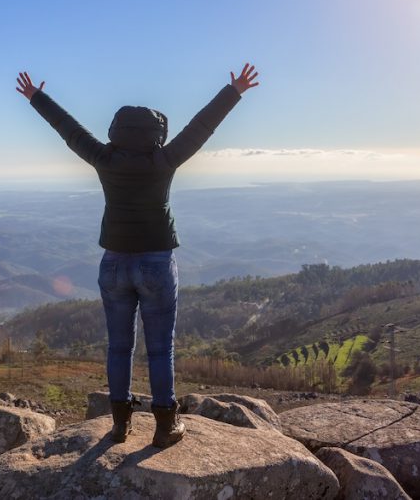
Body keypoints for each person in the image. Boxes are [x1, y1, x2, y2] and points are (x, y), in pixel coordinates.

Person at [15, 64, 259, 447]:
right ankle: (165, 427)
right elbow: (200, 128)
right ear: (157, 135)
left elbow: (69, 130)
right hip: (157, 263)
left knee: (118, 346)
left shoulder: (104, 159)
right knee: (161, 348)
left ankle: (119, 426)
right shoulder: (163, 161)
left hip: (113, 263)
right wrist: (234, 91)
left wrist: (36, 98)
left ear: (115, 131)